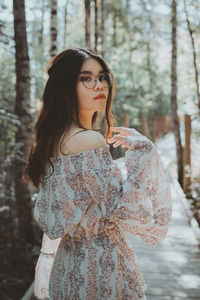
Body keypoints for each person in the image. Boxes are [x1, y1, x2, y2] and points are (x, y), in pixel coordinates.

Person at [24, 47, 172, 300]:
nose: (99, 85)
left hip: (69, 262)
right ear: (65, 89)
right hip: (100, 264)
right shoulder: (88, 140)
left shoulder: (55, 139)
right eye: (86, 78)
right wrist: (145, 152)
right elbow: (126, 209)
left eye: (102, 77)